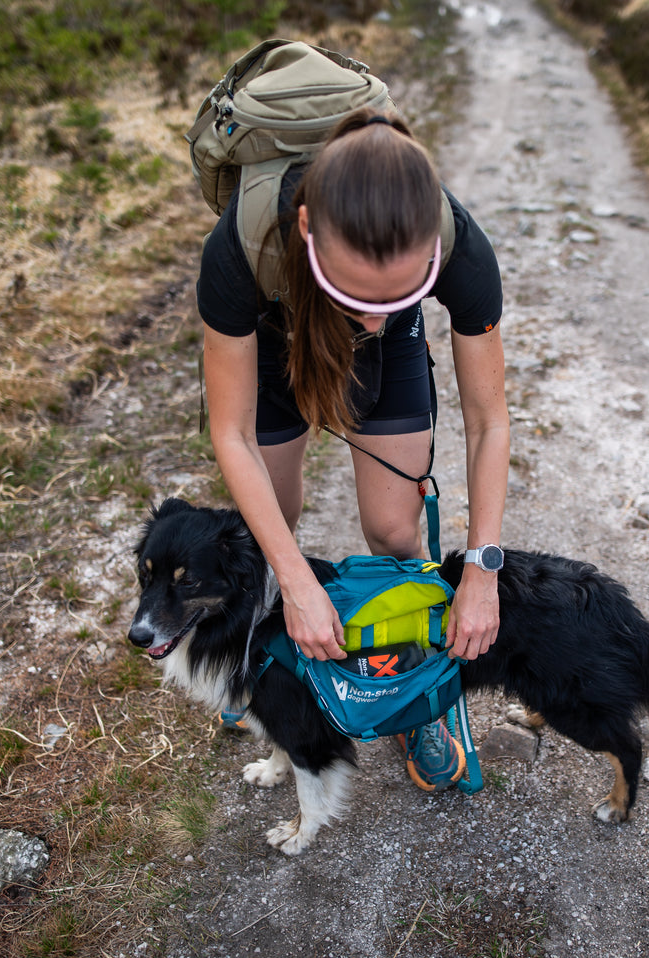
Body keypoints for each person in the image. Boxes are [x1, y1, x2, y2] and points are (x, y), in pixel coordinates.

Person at [197, 108, 509, 791]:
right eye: (354, 293)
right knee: (271, 513)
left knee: (396, 525)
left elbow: (488, 423)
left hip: (387, 361)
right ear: (307, 228)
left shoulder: (459, 250)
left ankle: (417, 685)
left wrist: (482, 569)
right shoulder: (242, 249)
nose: (369, 315)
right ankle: (266, 658)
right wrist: (300, 585)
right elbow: (232, 435)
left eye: (399, 293)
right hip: (277, 332)